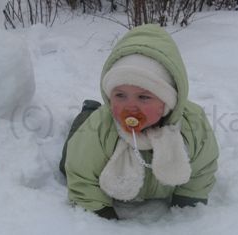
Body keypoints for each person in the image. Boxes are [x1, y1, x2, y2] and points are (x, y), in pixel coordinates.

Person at [62, 24, 219, 220]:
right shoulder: (100, 128)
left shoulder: (192, 126)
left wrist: (189, 199)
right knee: (68, 159)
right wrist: (99, 212)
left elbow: (203, 168)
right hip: (91, 131)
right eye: (120, 95)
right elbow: (81, 173)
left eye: (144, 97)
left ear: (167, 102)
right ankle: (88, 110)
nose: (130, 107)